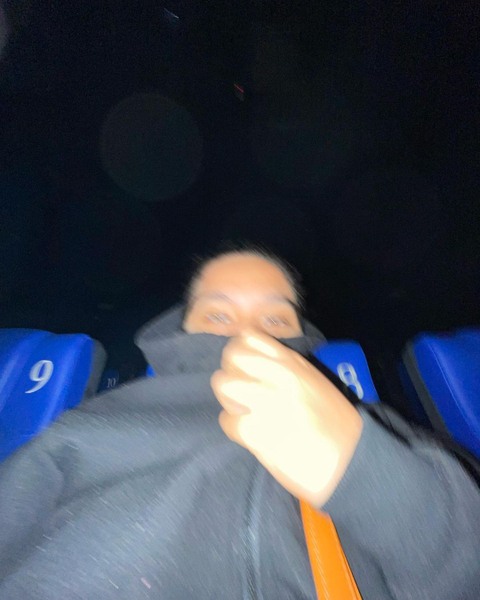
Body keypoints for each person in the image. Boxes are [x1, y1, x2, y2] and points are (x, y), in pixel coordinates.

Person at [0, 248, 479, 599]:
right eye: (218, 315)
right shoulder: (96, 425)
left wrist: (364, 469)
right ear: (179, 332)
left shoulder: (374, 426)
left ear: (305, 339)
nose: (249, 334)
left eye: (276, 321)